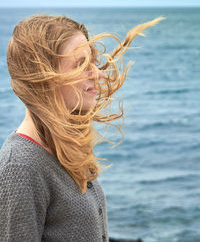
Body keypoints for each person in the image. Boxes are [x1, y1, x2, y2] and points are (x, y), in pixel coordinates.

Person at [0, 14, 163, 242]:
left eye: (93, 62)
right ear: (43, 77)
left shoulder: (63, 149)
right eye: (81, 64)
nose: (97, 73)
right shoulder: (20, 166)